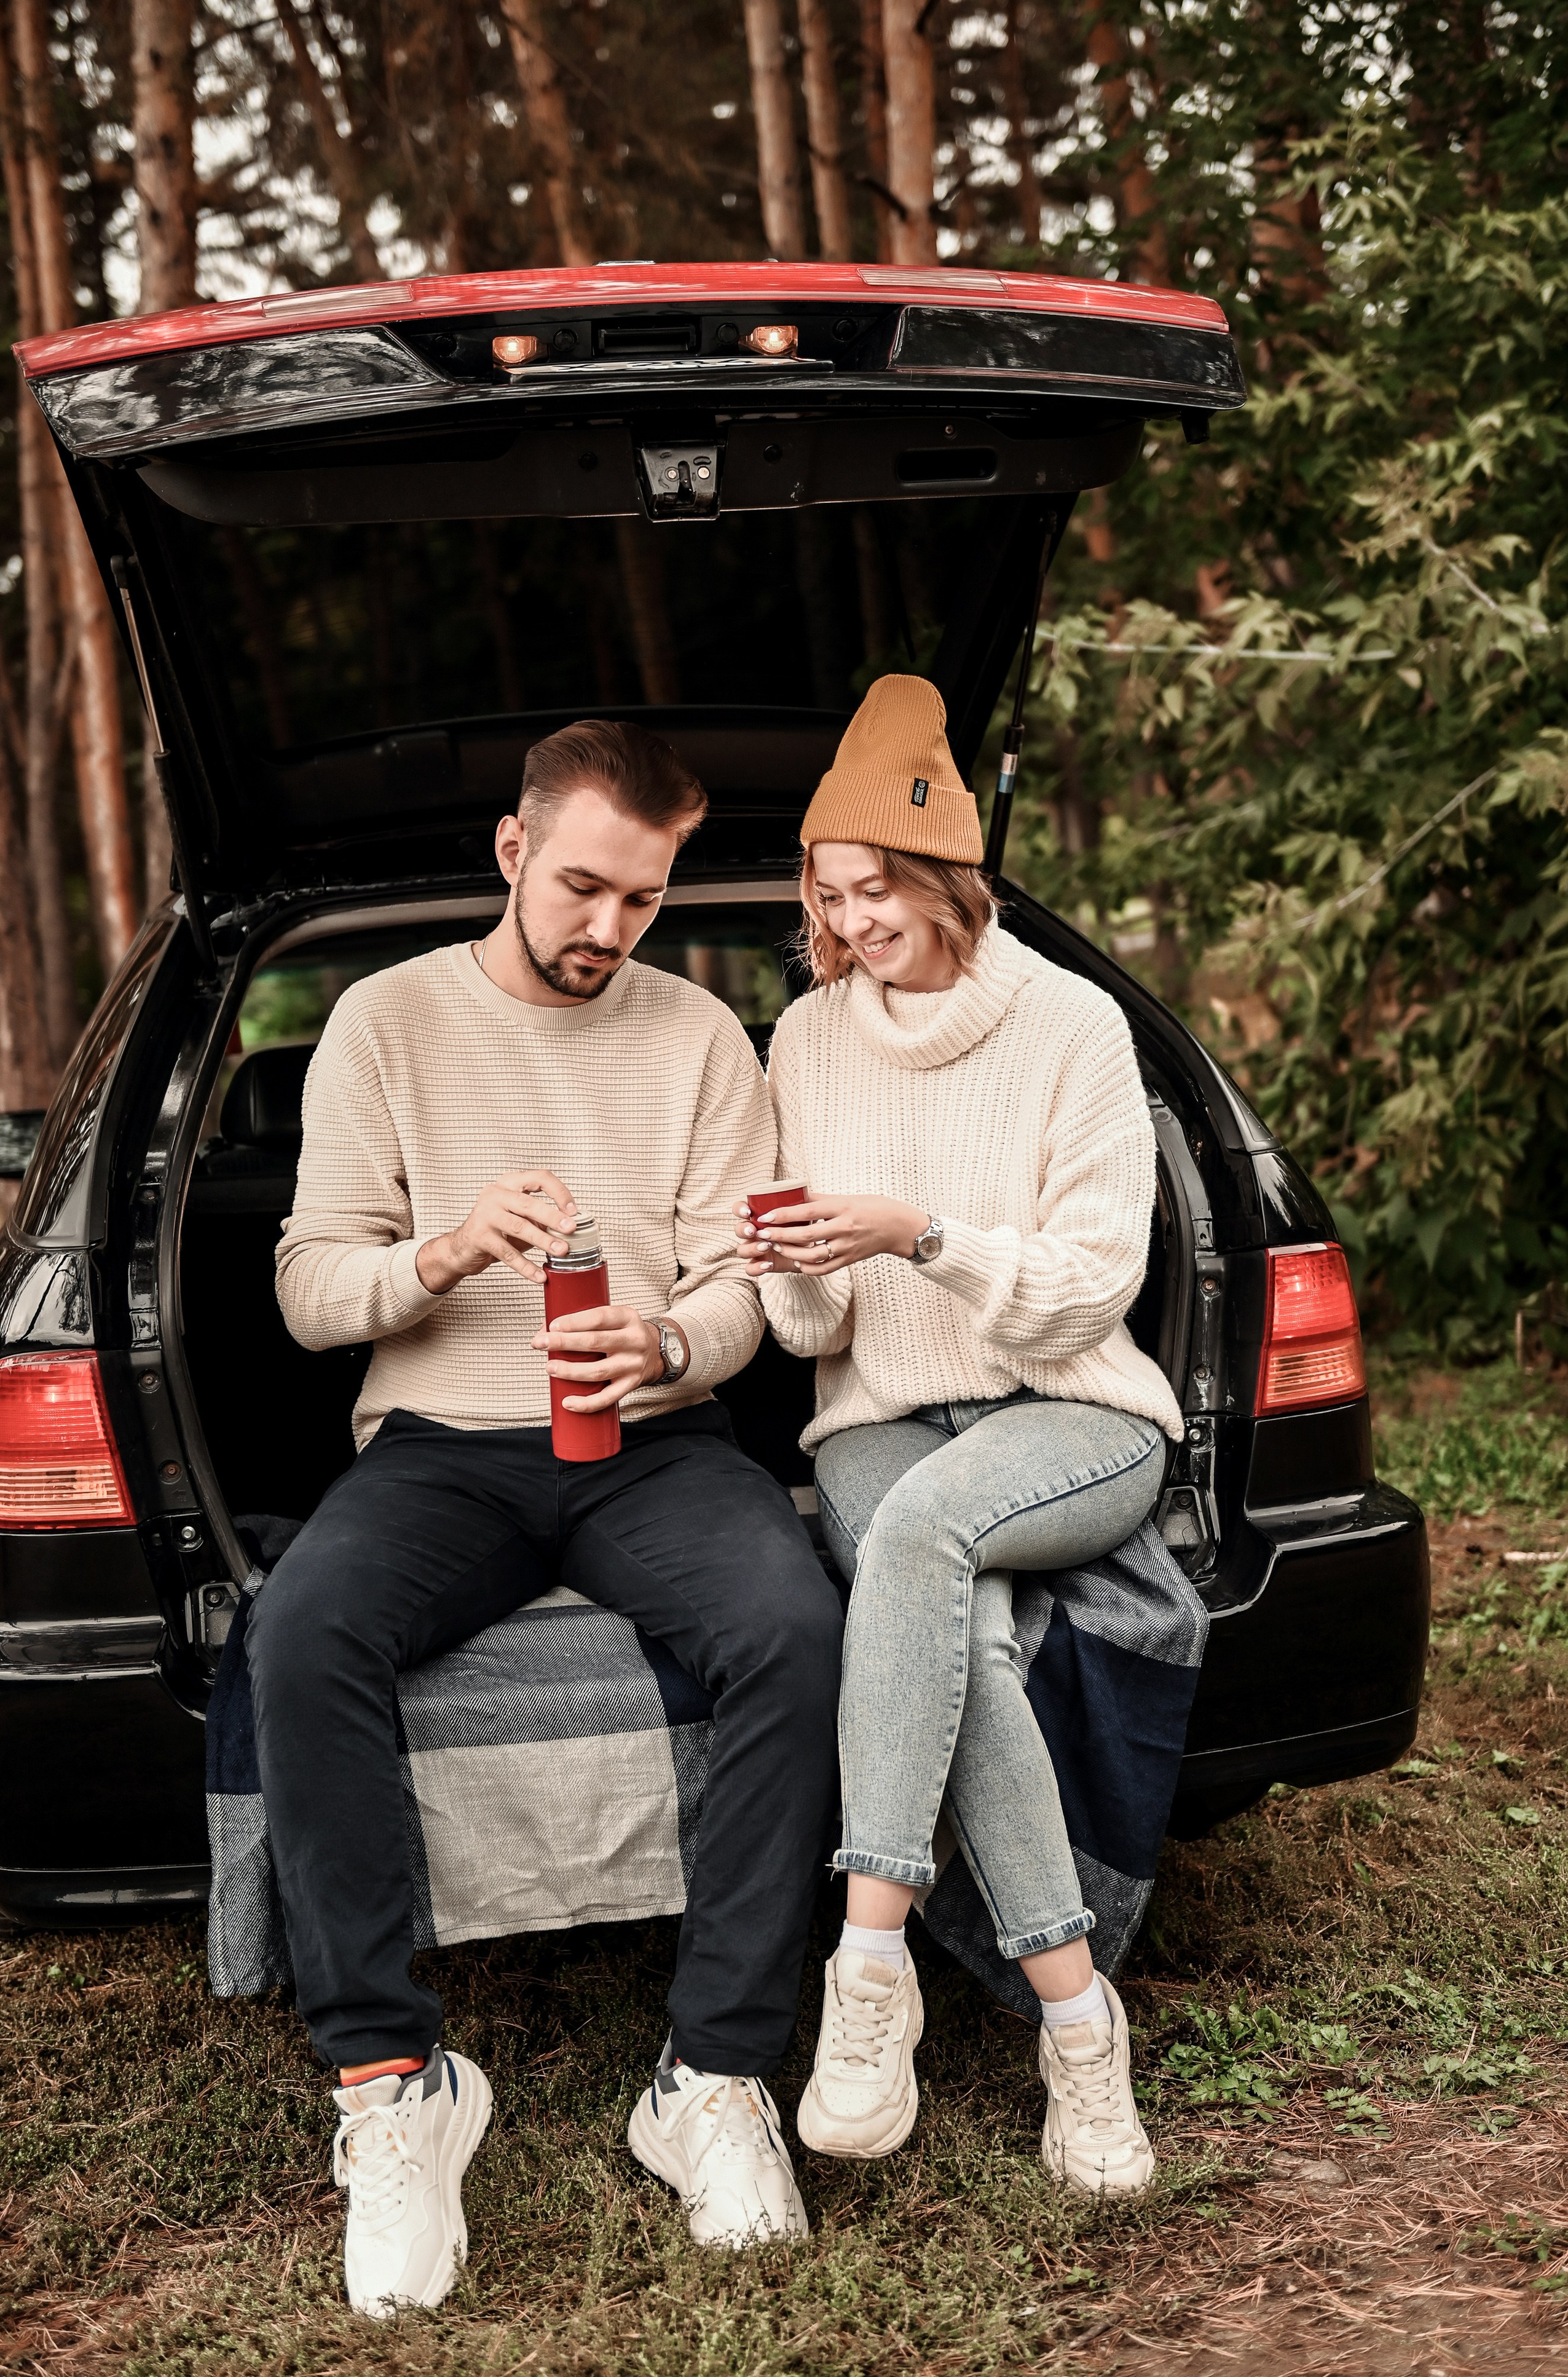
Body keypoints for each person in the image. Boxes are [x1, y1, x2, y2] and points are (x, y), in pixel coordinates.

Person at [254, 719, 842, 2314]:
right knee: (299, 1631)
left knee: (794, 1628)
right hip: (443, 1447)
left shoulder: (703, 1036)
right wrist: (437, 1257)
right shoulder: (385, 1022)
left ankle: (711, 2080)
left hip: (655, 1444)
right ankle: (393, 2083)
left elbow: (745, 1284)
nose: (607, 928)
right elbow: (313, 1292)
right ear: (514, 853)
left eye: (640, 901)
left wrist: (666, 1340)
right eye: (582, 885)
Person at [736, 676, 1184, 2196]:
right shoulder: (800, 1040)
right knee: (958, 1629)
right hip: (877, 1413)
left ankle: (866, 1968)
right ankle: (1079, 2024)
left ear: (944, 878)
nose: (849, 921)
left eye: (874, 890)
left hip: (1074, 1411)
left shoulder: (1073, 1028)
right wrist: (800, 1266)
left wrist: (920, 1232)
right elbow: (811, 1340)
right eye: (826, 892)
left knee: (924, 1540)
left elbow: (1090, 1290)